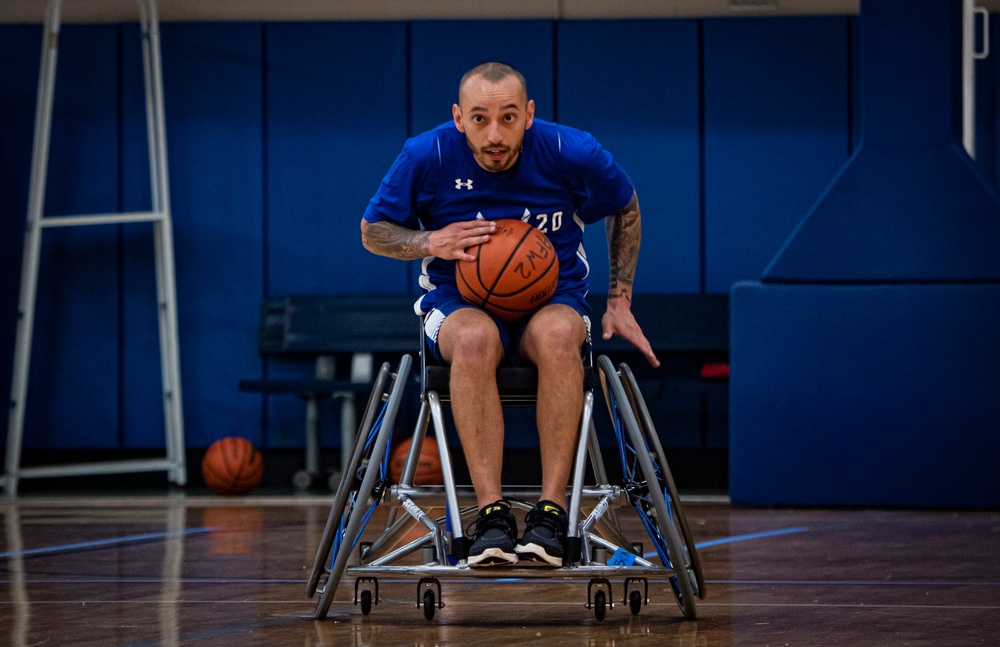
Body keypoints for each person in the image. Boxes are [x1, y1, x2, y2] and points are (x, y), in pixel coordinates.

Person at [361, 62, 659, 567]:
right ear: (459, 118)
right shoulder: (427, 154)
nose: (494, 134)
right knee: (475, 341)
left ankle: (551, 513)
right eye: (479, 119)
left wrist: (619, 299)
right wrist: (428, 240)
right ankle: (492, 515)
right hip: (460, 302)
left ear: (529, 116)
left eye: (508, 118)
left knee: (561, 336)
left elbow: (624, 206)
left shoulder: (571, 151)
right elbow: (374, 230)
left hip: (552, 297)